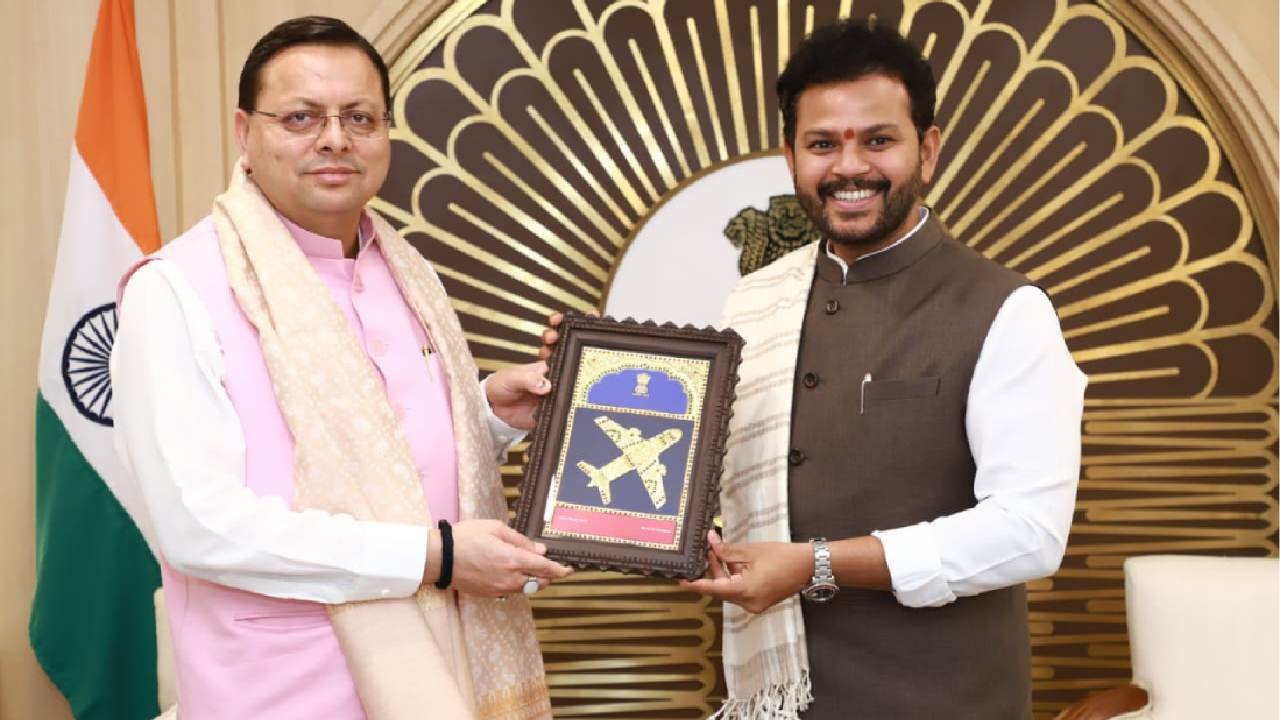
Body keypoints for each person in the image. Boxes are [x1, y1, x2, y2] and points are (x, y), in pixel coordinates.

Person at [546, 18, 1085, 720]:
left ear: (927, 150)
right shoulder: (756, 300)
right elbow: (716, 476)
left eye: (878, 140)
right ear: (791, 155)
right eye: (823, 144)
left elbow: (1029, 534)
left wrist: (814, 563)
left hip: (942, 700)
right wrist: (581, 397)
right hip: (778, 703)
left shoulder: (1007, 309)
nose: (849, 167)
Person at [111, 16, 567, 720]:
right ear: (244, 133)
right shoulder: (176, 290)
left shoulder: (406, 271)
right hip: (284, 685)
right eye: (301, 117)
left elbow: (383, 453)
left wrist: (486, 415)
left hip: (447, 666)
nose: (334, 139)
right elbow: (199, 525)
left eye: (360, 117)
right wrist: (437, 557)